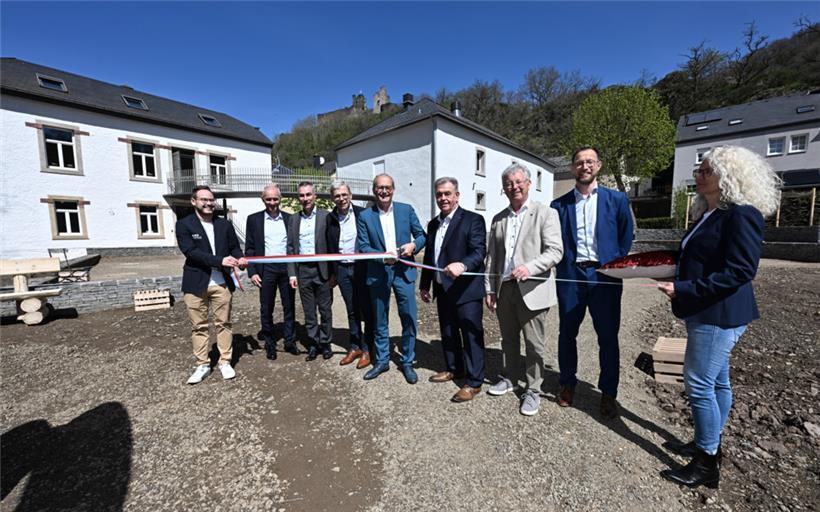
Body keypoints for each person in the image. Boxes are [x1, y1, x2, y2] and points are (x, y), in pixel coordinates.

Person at [658, 146, 780, 488]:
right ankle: (705, 442)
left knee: (698, 384)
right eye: (699, 171)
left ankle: (707, 463)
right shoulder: (709, 213)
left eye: (706, 171)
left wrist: (684, 288)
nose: (698, 175)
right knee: (717, 383)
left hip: (718, 314)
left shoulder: (742, 214)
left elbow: (741, 271)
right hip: (706, 311)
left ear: (727, 177)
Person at [550, 146, 633, 419]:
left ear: (598, 165)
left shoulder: (617, 199)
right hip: (571, 276)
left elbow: (625, 237)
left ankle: (609, 393)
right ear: (573, 168)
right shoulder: (558, 206)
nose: (584, 166)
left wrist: (613, 264)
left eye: (589, 162)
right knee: (567, 333)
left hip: (605, 276)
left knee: (608, 337)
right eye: (579, 163)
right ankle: (567, 383)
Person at [485, 164, 563, 416]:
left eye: (519, 182)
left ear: (528, 184)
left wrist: (530, 267)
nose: (514, 187)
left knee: (534, 344)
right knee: (507, 339)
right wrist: (489, 288)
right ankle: (510, 378)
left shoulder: (545, 214)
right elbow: (492, 259)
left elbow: (555, 251)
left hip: (533, 288)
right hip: (505, 288)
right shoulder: (498, 218)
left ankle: (533, 389)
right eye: (509, 183)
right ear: (504, 188)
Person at [420, 177, 487, 403]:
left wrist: (463, 264)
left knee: (471, 335)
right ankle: (454, 368)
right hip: (442, 288)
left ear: (457, 195)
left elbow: (479, 252)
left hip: (466, 290)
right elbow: (430, 256)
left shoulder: (473, 220)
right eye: (439, 194)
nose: (443, 198)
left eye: (448, 193)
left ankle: (474, 382)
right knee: (448, 332)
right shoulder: (433, 224)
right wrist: (424, 284)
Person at [356, 174, 426, 384]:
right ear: (374, 190)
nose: (383, 191)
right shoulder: (365, 216)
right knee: (380, 320)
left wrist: (414, 246)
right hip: (378, 273)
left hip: (404, 272)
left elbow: (422, 235)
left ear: (393, 189)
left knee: (408, 317)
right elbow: (363, 247)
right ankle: (383, 360)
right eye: (379, 188)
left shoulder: (406, 210)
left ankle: (407, 361)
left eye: (387, 187)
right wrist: (381, 258)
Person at [176, 185, 246, 384]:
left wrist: (240, 259)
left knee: (224, 324)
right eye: (203, 200)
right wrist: (220, 261)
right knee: (198, 326)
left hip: (221, 283)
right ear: (194, 201)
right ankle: (203, 364)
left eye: (210, 199)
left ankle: (225, 362)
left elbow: (234, 247)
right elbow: (190, 252)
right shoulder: (184, 224)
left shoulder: (224, 224)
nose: (208, 203)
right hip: (195, 283)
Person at [244, 184, 298, 360]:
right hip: (266, 270)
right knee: (266, 308)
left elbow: (294, 247)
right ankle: (270, 343)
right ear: (263, 199)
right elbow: (250, 248)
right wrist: (252, 272)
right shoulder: (253, 220)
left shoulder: (290, 219)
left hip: (286, 268)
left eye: (275, 199)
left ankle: (289, 341)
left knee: (289, 306)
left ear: (280, 199)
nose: (272, 202)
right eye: (269, 199)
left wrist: (294, 271)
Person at [326, 180, 373, 369]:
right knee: (351, 310)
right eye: (337, 195)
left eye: (344, 194)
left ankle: (368, 349)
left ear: (350, 196)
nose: (341, 198)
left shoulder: (364, 214)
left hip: (362, 268)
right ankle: (355, 346)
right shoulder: (330, 218)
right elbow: (329, 246)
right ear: (333, 198)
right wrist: (332, 272)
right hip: (343, 269)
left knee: (366, 309)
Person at [287, 181, 333, 361]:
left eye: (308, 194)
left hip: (322, 270)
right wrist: (292, 273)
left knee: (325, 310)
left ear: (315, 196)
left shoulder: (325, 216)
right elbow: (290, 248)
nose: (305, 198)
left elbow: (331, 245)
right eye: (302, 195)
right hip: (303, 270)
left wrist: (333, 273)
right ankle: (313, 344)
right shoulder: (293, 219)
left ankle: (326, 342)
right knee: (309, 311)